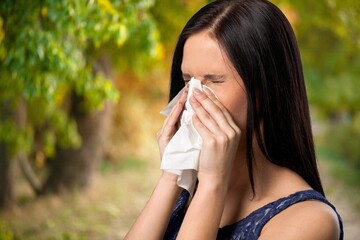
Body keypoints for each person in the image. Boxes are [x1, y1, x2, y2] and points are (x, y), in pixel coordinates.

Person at [125, 0, 343, 239]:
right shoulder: (185, 191)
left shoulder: (311, 221)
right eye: (188, 80)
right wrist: (172, 175)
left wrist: (212, 184)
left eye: (215, 81)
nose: (192, 98)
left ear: (265, 92)